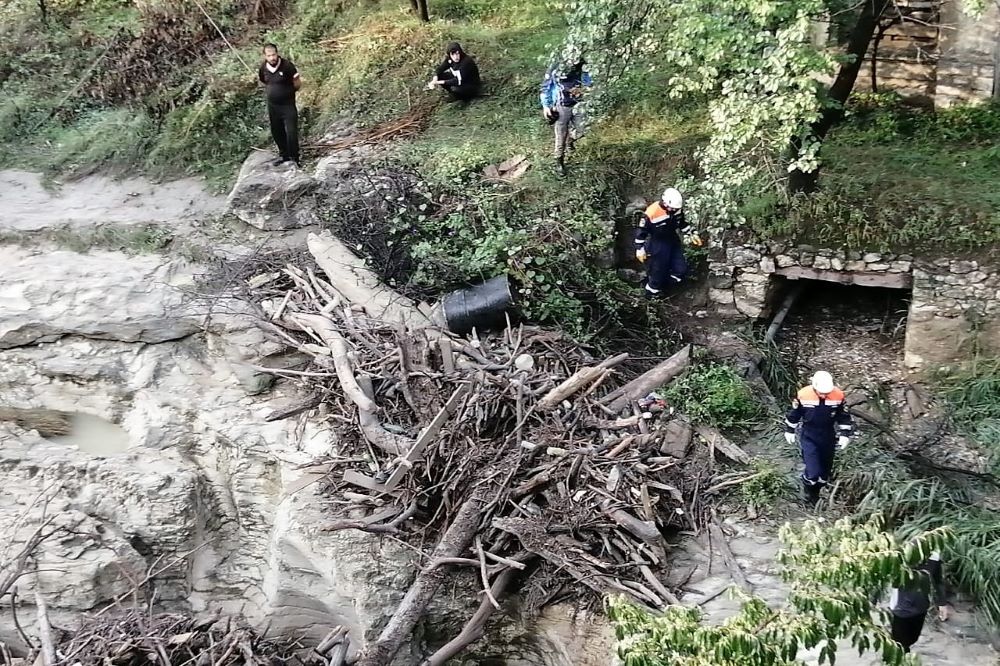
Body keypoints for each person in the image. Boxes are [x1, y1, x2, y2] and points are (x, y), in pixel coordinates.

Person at [784, 371, 853, 506]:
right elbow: (795, 413)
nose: (824, 395)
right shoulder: (804, 395)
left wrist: (845, 434)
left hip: (828, 435)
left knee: (824, 472)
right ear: (814, 387)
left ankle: (819, 492)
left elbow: (843, 416)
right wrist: (789, 430)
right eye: (821, 392)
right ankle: (808, 494)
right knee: (813, 471)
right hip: (809, 435)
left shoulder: (837, 396)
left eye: (826, 393)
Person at [634, 187, 699, 298]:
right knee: (658, 270)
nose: (673, 210)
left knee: (680, 269)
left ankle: (666, 286)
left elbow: (681, 223)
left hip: (673, 240)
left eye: (675, 209)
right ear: (664, 202)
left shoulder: (676, 209)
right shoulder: (652, 213)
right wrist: (639, 249)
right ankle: (651, 294)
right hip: (657, 243)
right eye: (671, 208)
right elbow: (641, 232)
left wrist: (691, 233)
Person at [888, 551, 951, 653]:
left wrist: (942, 603)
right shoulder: (904, 551)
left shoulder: (934, 555)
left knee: (912, 639)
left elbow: (938, 580)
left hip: (921, 605)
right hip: (901, 607)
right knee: (900, 644)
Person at [539, 59, 592, 176]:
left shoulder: (582, 64)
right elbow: (545, 86)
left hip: (579, 103)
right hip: (561, 105)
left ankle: (570, 140)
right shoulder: (555, 66)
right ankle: (559, 161)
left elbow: (589, 82)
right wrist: (546, 106)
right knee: (560, 135)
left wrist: (584, 90)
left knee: (582, 130)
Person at [258, 43, 301, 167]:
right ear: (265, 56)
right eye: (269, 55)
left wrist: (289, 92)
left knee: (291, 131)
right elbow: (263, 80)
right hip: (273, 106)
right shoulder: (263, 67)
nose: (272, 58)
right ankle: (284, 155)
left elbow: (297, 82)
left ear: (277, 53)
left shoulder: (287, 66)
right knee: (277, 131)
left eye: (273, 55)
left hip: (287, 105)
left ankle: (295, 158)